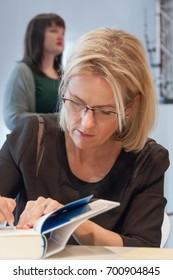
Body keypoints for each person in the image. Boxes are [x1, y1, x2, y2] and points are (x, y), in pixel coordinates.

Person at [0, 28, 170, 247]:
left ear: (131, 106)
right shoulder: (32, 136)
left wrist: (73, 221)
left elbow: (144, 248)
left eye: (106, 111)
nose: (86, 123)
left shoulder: (148, 161)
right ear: (65, 86)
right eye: (76, 103)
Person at [3, 13, 65, 131]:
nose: (60, 36)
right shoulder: (23, 71)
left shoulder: (64, 75)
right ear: (37, 36)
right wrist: (56, 120)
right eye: (53, 31)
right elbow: (13, 118)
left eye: (62, 33)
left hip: (61, 146)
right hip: (35, 146)